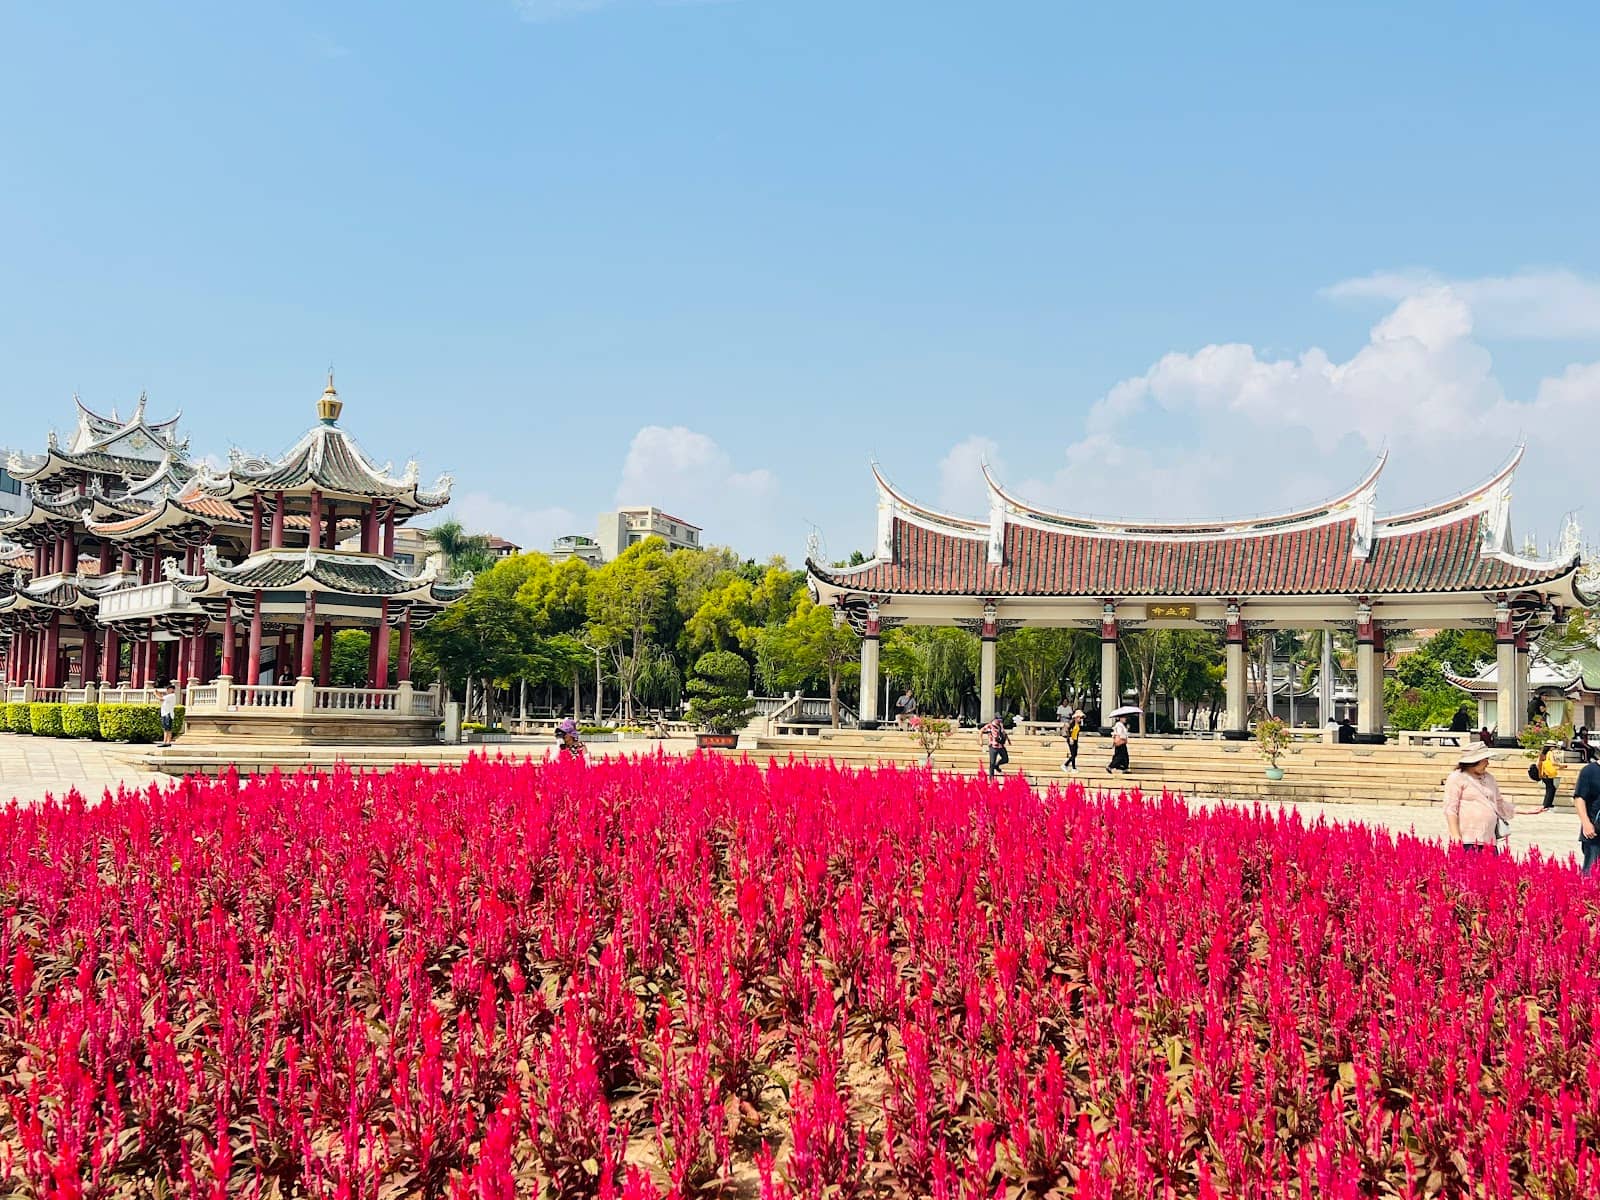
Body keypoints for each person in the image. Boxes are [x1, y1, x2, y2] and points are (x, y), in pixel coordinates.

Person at [1443, 745, 1514, 853]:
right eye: (1484, 760)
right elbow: (1450, 809)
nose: (1487, 763)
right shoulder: (1457, 777)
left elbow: (1499, 803)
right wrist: (1456, 835)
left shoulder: (1489, 778)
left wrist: (1524, 810)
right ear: (1474, 762)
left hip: (1489, 839)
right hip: (1468, 840)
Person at [1574, 750, 1600, 874]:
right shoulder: (1589, 771)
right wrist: (1586, 823)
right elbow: (1579, 798)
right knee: (1591, 872)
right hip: (1594, 831)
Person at [1538, 742, 1564, 811]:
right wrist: (1560, 765)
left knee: (1549, 788)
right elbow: (1553, 762)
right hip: (1549, 774)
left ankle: (1547, 804)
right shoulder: (1550, 753)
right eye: (1554, 747)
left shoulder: (1542, 754)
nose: (1554, 748)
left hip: (1544, 773)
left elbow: (1539, 763)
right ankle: (1546, 804)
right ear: (1551, 747)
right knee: (1551, 789)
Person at [1060, 709, 1083, 773]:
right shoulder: (1071, 723)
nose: (1080, 719)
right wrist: (1069, 738)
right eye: (1079, 717)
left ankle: (1066, 765)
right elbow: (1067, 730)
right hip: (1071, 739)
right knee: (1073, 754)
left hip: (1075, 739)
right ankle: (1073, 768)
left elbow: (1077, 733)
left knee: (1074, 754)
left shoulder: (1078, 724)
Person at [159, 683, 179, 747]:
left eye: (168, 689)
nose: (167, 690)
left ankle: (166, 742)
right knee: (166, 729)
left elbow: (161, 698)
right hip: (165, 713)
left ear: (172, 689)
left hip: (168, 714)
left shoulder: (172, 695)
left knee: (167, 729)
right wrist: (157, 693)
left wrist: (155, 693)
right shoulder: (168, 696)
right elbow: (161, 698)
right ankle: (167, 742)